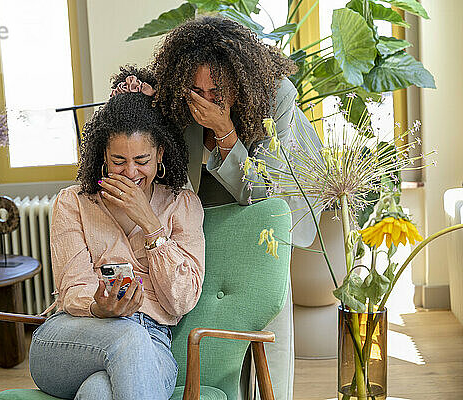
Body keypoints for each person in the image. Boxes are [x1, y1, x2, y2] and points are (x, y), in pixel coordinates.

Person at [151, 16, 323, 400]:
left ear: (239, 79)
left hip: (266, 218)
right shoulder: (179, 97)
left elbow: (267, 192)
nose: (206, 99)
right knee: (213, 335)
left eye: (217, 90)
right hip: (206, 224)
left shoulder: (276, 96)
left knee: (268, 323)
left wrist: (225, 130)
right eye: (196, 90)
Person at [29, 67, 205, 400]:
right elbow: (72, 289)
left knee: (98, 392)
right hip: (73, 336)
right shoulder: (74, 203)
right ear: (102, 157)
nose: (131, 172)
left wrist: (151, 224)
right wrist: (100, 307)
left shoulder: (182, 205)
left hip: (153, 344)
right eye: (118, 161)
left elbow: (182, 300)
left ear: (160, 155)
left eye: (141, 160)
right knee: (128, 336)